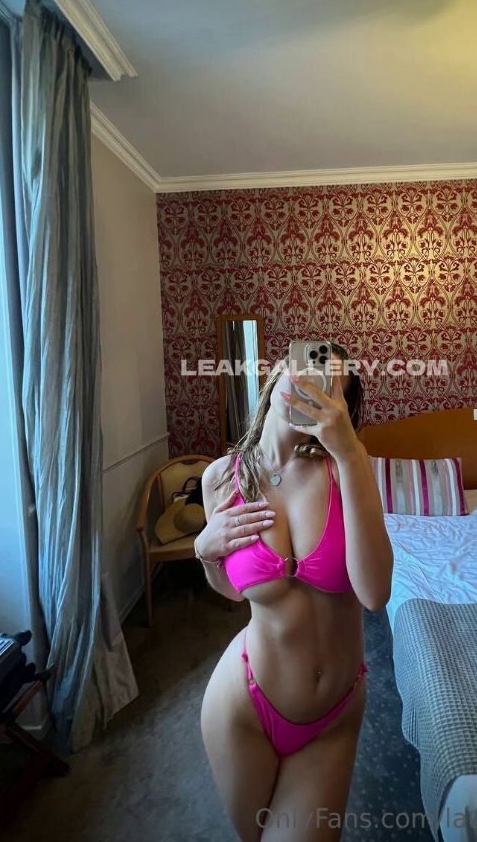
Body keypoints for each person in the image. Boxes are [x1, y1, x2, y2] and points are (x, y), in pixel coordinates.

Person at [196, 343, 393, 842]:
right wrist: (204, 551)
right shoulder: (220, 478)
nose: (309, 386)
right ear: (278, 374)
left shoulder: (345, 470)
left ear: (339, 410)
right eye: (304, 369)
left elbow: (375, 593)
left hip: (331, 715)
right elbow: (233, 592)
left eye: (329, 387)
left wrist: (351, 453)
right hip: (241, 702)